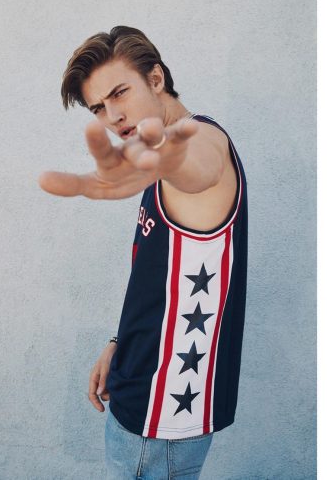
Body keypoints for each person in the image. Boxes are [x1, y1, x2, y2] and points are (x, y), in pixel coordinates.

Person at [39, 26, 248, 479]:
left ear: (156, 79)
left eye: (120, 93)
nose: (113, 116)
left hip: (160, 421)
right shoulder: (162, 155)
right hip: (142, 396)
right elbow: (157, 277)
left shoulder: (197, 144)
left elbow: (202, 167)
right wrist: (121, 342)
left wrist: (174, 163)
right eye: (99, 107)